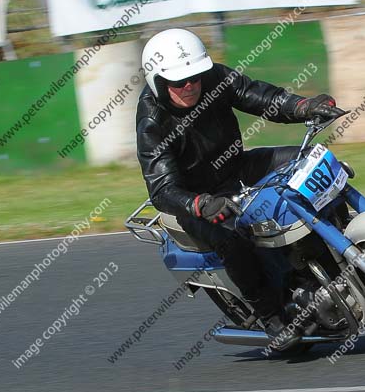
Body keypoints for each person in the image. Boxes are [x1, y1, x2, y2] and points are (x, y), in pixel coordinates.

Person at [136, 28, 340, 349]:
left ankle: (336, 256)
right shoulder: (152, 120)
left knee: (314, 161)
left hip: (236, 166)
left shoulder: (214, 78)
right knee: (233, 239)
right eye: (178, 82)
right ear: (157, 82)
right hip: (197, 196)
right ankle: (271, 315)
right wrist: (201, 204)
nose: (189, 86)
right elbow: (160, 188)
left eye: (195, 76)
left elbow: (260, 96)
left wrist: (303, 106)